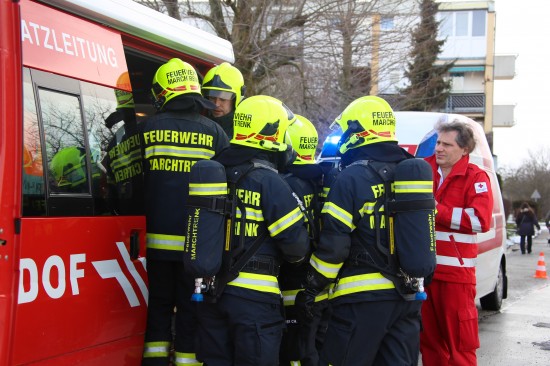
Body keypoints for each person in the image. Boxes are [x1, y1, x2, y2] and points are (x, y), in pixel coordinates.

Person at [296, 96, 434, 366]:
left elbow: (334, 248)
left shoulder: (353, 177)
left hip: (361, 302)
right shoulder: (411, 173)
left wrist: (312, 285)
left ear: (358, 133)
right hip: (407, 298)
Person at [194, 95, 310, 366]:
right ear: (273, 133)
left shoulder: (214, 171)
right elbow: (296, 249)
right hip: (255, 303)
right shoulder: (270, 182)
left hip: (211, 294)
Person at [141, 58, 230, 366]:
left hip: (154, 247)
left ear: (165, 91)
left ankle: (154, 361)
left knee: (158, 308)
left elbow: (133, 183)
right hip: (198, 250)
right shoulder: (216, 133)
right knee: (192, 312)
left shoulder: (146, 129)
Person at [420, 119, 494, 366]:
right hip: (424, 275)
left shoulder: (476, 177)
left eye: (446, 144)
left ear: (464, 149)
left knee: (460, 348)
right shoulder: (422, 169)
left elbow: (480, 220)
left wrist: (437, 211)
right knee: (429, 345)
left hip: (456, 278)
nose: (439, 148)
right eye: (438, 143)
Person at [278, 115, 327, 366]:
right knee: (312, 350)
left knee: (292, 351)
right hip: (318, 282)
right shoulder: (320, 181)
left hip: (291, 281)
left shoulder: (283, 185)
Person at [101, 72, 144, 215]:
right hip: (146, 210)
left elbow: (110, 184)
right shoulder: (148, 130)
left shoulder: (115, 139)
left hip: (125, 210)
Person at [201, 62, 246, 138]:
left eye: (222, 99)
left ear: (236, 99)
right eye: (212, 98)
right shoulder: (199, 120)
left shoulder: (242, 132)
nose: (216, 104)